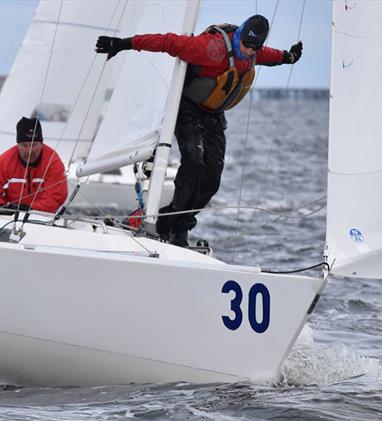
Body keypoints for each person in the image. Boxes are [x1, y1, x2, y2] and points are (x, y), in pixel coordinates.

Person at [95, 15, 302, 247]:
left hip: (213, 114)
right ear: (240, 35)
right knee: (194, 162)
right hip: (187, 107)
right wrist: (123, 43)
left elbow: (271, 56)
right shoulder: (209, 47)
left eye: (256, 47)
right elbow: (167, 42)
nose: (250, 51)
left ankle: (177, 225)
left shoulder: (254, 52)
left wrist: (289, 57)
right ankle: (169, 225)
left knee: (212, 177)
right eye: (247, 45)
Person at [0, 116, 68, 213]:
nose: (29, 151)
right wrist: (1, 207)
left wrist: (29, 209)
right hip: (7, 217)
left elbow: (56, 197)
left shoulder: (53, 162)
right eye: (24, 145)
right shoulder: (5, 161)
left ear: (41, 144)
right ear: (17, 145)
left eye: (33, 145)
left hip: (41, 217)